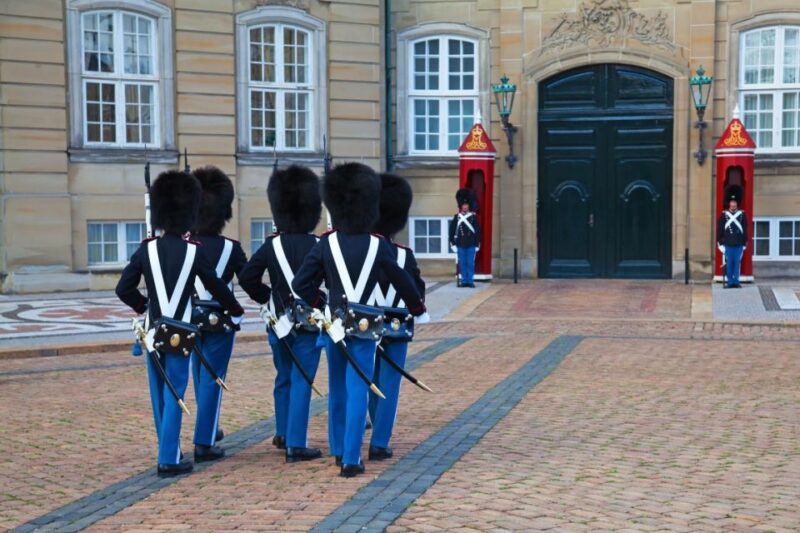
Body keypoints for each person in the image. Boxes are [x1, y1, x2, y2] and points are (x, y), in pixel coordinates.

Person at [292, 162, 427, 477]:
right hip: (365, 330)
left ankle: (339, 450)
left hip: (335, 328)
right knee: (358, 390)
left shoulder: (326, 243)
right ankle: (351, 460)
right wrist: (416, 307)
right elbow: (402, 280)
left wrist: (321, 302)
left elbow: (300, 285)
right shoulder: (378, 245)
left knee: (338, 389)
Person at [116, 170, 244, 477]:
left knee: (159, 393)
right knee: (176, 392)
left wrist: (143, 305)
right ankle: (168, 460)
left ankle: (168, 448)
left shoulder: (146, 249)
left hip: (152, 330)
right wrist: (235, 309)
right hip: (180, 332)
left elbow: (123, 289)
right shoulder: (193, 251)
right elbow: (216, 286)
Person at [239, 165, 325, 463]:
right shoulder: (318, 244)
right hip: (309, 324)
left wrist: (269, 298)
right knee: (303, 379)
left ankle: (283, 432)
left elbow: (248, 277)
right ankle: (296, 444)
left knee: (284, 376)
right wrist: (319, 300)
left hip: (278, 323)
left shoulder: (270, 245)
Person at [190, 166, 248, 462]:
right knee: (213, 378)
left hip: (188, 319)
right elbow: (249, 279)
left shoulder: (185, 246)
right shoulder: (231, 249)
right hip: (220, 320)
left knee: (199, 374)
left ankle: (208, 425)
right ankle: (204, 441)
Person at [367, 173, 425, 461]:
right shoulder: (404, 254)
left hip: (365, 323)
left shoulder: (362, 251)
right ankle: (380, 441)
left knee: (369, 379)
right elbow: (418, 289)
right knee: (390, 383)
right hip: (397, 325)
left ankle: (374, 427)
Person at [449, 188, 480, 288]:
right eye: (463, 205)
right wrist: (452, 243)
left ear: (468, 206)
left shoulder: (473, 217)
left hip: (471, 243)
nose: (465, 206)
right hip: (460, 244)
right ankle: (464, 280)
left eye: (466, 205)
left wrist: (477, 243)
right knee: (462, 263)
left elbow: (477, 231)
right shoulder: (457, 217)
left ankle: (470, 281)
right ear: (461, 206)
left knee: (470, 263)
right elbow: (451, 231)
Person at [716, 197, 748, 289]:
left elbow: (745, 229)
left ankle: (736, 281)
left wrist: (745, 242)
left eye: (734, 203)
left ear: (736, 204)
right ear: (729, 204)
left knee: (737, 264)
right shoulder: (724, 215)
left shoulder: (742, 215)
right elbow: (720, 229)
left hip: (738, 243)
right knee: (729, 264)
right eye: (732, 203)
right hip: (728, 243)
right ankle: (730, 282)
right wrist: (720, 242)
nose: (733, 205)